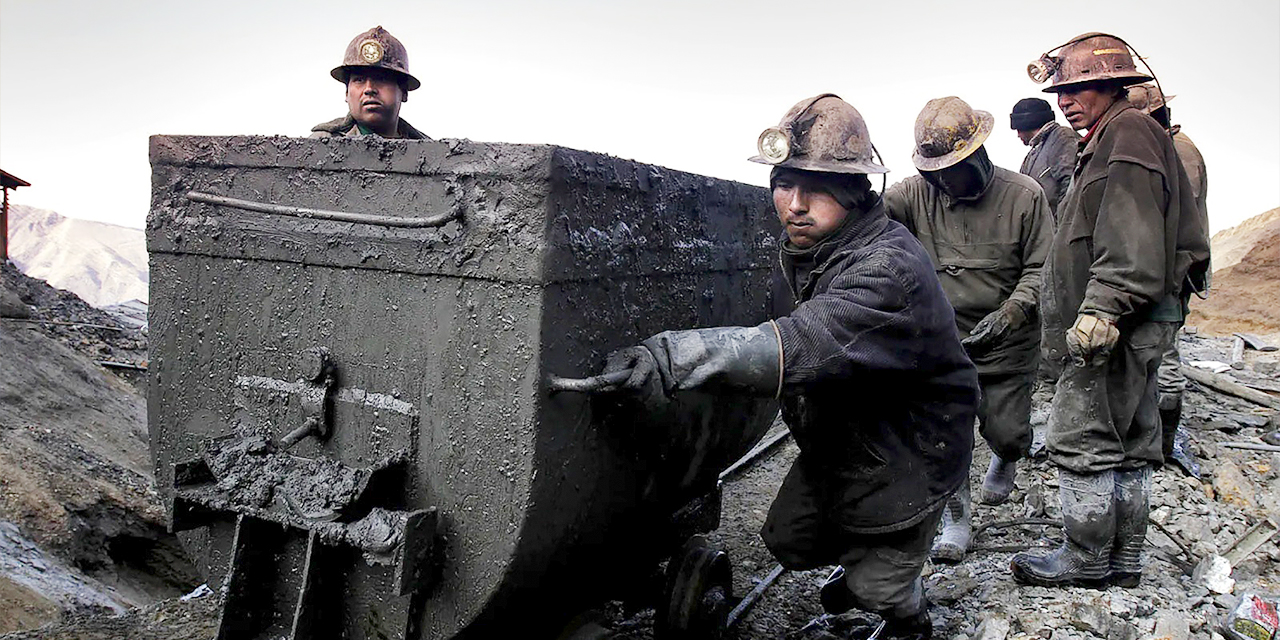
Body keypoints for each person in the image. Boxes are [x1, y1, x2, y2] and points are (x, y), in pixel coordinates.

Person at [602, 94, 979, 639]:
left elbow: (799, 343)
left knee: (878, 590)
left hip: (910, 445)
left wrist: (669, 356)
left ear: (855, 192)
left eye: (817, 188)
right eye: (784, 183)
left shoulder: (888, 269)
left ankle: (907, 612)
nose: (795, 204)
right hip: (845, 434)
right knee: (790, 542)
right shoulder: (809, 247)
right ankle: (870, 564)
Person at [1010, 33, 1210, 589]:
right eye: (1061, 92)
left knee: (1082, 437)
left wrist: (1102, 307)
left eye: (1079, 88)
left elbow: (1130, 232)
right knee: (1130, 441)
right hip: (1134, 322)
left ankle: (1086, 558)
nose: (1065, 101)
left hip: (1115, 325)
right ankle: (1124, 560)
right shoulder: (1119, 136)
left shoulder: (1125, 133)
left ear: (1113, 85)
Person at [883, 97, 1053, 564]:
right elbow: (866, 218)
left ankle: (1007, 453)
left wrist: (1014, 312)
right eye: (933, 171)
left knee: (1008, 430)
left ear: (978, 153)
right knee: (944, 438)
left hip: (1008, 341)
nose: (941, 181)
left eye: (950, 169)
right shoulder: (915, 193)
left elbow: (1044, 268)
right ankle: (957, 520)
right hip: (944, 344)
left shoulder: (1025, 196)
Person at [1127, 83, 1210, 477]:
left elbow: (1175, 220)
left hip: (1172, 271)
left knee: (1167, 352)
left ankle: (1165, 441)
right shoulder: (1166, 147)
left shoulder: (1179, 153)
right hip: (1162, 267)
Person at [310, 26, 429, 140]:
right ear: (346, 93)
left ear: (404, 92)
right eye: (359, 80)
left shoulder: (429, 151)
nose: (369, 89)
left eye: (381, 79)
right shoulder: (321, 143)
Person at [1010, 97, 1080, 221]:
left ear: (1027, 123)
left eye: (1018, 129)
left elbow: (1071, 185)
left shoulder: (1062, 137)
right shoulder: (1034, 152)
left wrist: (1062, 228)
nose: (1018, 135)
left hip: (1060, 229)